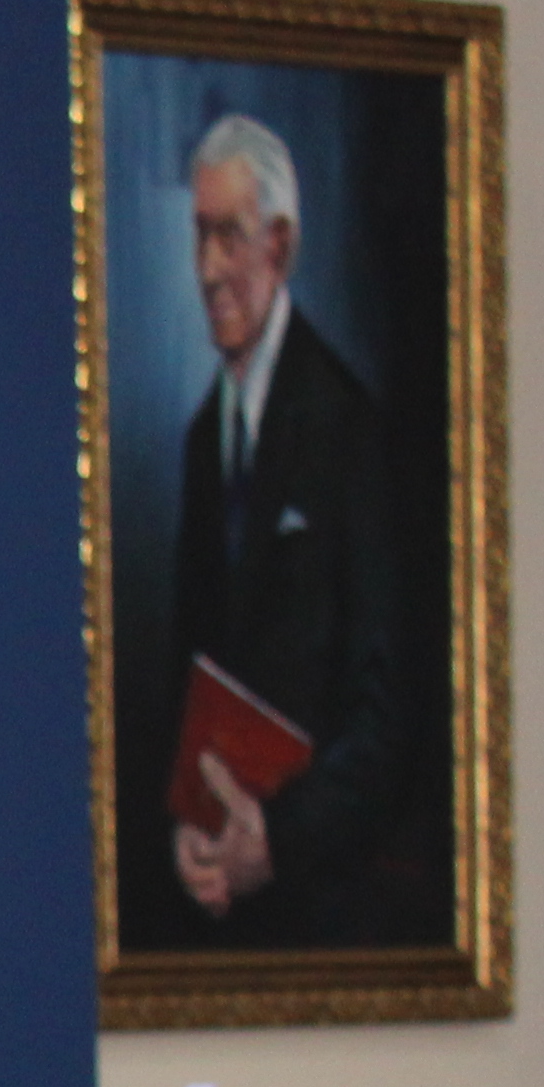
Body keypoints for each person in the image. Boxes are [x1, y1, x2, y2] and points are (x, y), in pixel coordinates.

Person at [152, 110, 422, 941]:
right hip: (225, 923)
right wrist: (187, 833)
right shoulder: (204, 444)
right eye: (200, 236)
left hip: (330, 909)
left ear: (283, 247)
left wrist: (280, 839)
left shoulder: (349, 430)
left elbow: (389, 714)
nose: (208, 268)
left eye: (229, 237)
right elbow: (189, 674)